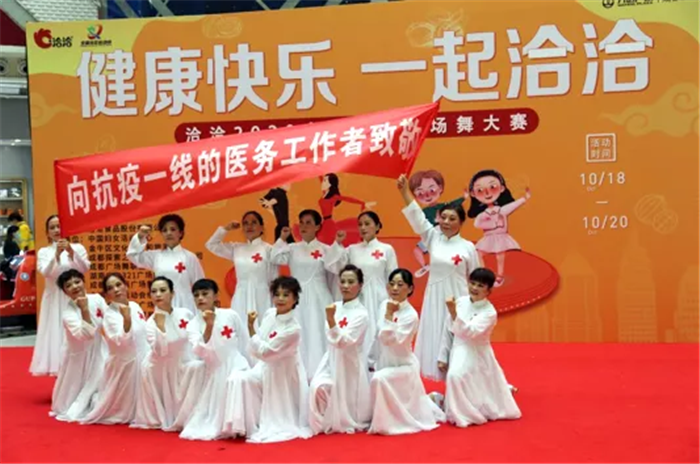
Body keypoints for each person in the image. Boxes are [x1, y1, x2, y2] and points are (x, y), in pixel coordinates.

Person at [397, 174, 481, 381]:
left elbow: (476, 278)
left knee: (459, 339)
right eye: (443, 218)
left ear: (461, 222)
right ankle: (443, 383)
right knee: (436, 338)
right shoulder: (433, 237)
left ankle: (464, 382)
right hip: (435, 298)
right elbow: (417, 217)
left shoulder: (468, 247)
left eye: (452, 219)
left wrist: (475, 308)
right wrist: (404, 192)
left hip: (459, 299)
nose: (446, 222)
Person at [223, 276, 311, 443]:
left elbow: (265, 352)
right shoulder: (270, 314)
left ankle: (257, 424)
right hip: (264, 367)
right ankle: (241, 426)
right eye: (277, 294)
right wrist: (255, 335)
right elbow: (260, 343)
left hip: (283, 375)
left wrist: (251, 328)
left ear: (295, 299)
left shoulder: (293, 329)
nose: (280, 298)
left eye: (286, 295)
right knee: (237, 377)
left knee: (275, 414)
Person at [368, 269, 446, 435]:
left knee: (379, 379)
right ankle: (431, 399)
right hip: (385, 362)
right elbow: (377, 336)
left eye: (400, 284)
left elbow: (392, 341)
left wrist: (389, 315)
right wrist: (370, 359)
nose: (395, 288)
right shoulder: (384, 305)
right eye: (392, 284)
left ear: (410, 288)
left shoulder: (411, 315)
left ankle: (384, 424)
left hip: (403, 366)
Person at [441, 268, 521, 427]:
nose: (474, 288)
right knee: (456, 376)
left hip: (478, 350)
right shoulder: (461, 302)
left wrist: (454, 313)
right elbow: (448, 329)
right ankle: (459, 410)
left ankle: (467, 412)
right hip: (459, 348)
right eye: (472, 283)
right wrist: (443, 355)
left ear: (489, 291)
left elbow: (471, 332)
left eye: (480, 286)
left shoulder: (489, 312)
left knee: (465, 378)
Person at [271, 210, 341, 377]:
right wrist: (282, 239)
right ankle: (299, 373)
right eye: (301, 222)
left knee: (318, 331)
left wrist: (337, 245)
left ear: (317, 227)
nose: (303, 226)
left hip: (319, 296)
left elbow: (336, 269)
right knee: (299, 331)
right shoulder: (292, 248)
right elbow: (275, 258)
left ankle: (322, 373)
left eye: (308, 222)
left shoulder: (325, 249)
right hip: (297, 297)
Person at [179, 279, 250, 441]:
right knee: (212, 414)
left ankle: (241, 424)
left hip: (237, 363)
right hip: (215, 369)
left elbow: (244, 340)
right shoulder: (193, 324)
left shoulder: (230, 315)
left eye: (205, 294)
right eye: (196, 295)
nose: (200, 298)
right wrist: (209, 326)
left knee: (236, 380)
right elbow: (200, 351)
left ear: (216, 296)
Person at [309, 264, 371, 435]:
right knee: (316, 386)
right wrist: (331, 322)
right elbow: (331, 337)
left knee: (344, 397)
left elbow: (344, 342)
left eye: (351, 282)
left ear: (360, 285)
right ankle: (325, 418)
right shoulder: (334, 307)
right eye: (342, 281)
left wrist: (331, 321)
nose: (345, 286)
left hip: (349, 363)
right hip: (331, 359)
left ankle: (342, 417)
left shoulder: (361, 314)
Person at [331, 211, 398, 366]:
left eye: (367, 224)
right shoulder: (351, 249)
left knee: (376, 331)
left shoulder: (386, 249)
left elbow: (393, 277)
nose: (363, 227)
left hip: (379, 298)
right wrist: (338, 244)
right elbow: (336, 268)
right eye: (360, 224)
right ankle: (358, 367)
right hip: (357, 298)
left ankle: (376, 366)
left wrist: (393, 302)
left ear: (378, 226)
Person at [82, 273, 149, 425]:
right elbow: (121, 341)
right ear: (107, 295)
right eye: (111, 288)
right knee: (120, 406)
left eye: (119, 285)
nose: (116, 289)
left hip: (142, 356)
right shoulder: (110, 315)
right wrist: (127, 320)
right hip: (125, 362)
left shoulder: (134, 306)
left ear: (126, 285)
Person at [131, 277, 197, 431]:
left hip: (184, 359)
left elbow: (194, 336)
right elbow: (161, 352)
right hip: (161, 366)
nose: (158, 294)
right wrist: (161, 327)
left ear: (172, 293)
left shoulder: (185, 313)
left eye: (162, 290)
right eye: (154, 291)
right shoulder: (151, 323)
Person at [30, 215, 91, 377]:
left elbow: (84, 268)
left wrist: (70, 252)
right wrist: (56, 255)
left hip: (75, 296)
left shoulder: (77, 248)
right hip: (54, 298)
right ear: (47, 232)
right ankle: (59, 368)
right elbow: (46, 272)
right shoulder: (44, 252)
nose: (57, 230)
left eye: (59, 226)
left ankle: (81, 367)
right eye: (52, 227)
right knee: (56, 332)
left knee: (77, 330)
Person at [50, 269, 108, 422]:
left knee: (102, 378)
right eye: (69, 285)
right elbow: (85, 335)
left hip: (100, 349)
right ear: (65, 292)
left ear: (84, 282)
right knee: (75, 393)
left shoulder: (97, 299)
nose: (75, 287)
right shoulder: (68, 314)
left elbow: (108, 320)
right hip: (79, 355)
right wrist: (84, 310)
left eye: (77, 282)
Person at [206, 211, 278, 325]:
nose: (249, 226)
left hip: (262, 297)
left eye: (254, 222)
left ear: (261, 227)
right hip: (241, 297)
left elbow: (274, 279)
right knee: (241, 328)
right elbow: (211, 245)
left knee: (263, 328)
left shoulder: (269, 249)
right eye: (245, 223)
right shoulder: (237, 248)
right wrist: (226, 229)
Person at [126, 214, 204, 315]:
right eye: (164, 230)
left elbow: (201, 285)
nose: (169, 233)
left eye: (173, 229)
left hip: (186, 305)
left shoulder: (190, 257)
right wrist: (140, 236)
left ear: (181, 233)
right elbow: (133, 255)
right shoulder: (156, 256)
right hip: (163, 304)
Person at [467, 170, 531, 287]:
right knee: (479, 253)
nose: (487, 193)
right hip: (488, 237)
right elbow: (477, 224)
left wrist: (524, 198)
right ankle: (483, 274)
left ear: (501, 188)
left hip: (501, 237)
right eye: (480, 190)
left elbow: (513, 205)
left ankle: (499, 276)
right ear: (473, 193)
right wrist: (491, 224)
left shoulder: (502, 210)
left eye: (492, 187)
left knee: (500, 256)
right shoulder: (483, 214)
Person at [408, 170, 466, 277]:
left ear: (440, 188)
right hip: (430, 234)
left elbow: (454, 204)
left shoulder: (444, 206)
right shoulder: (423, 212)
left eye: (432, 190)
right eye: (420, 193)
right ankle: (425, 266)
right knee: (417, 250)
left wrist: (464, 197)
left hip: (441, 233)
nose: (427, 195)